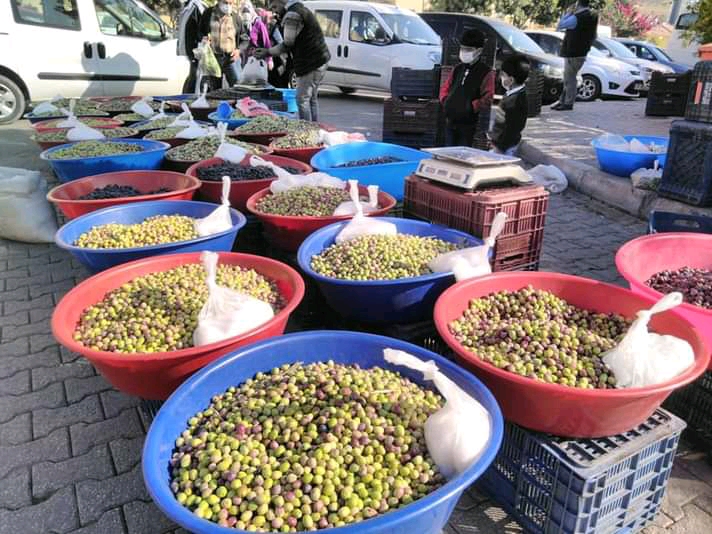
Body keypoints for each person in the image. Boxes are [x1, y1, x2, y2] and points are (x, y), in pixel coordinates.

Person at [254, 0, 331, 121]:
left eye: (274, 6)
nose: (273, 10)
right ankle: (315, 128)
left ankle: (306, 131)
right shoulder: (300, 9)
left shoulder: (292, 15)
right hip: (321, 59)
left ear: (281, 2)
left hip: (310, 63)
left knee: (302, 99)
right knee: (311, 98)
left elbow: (287, 44)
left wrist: (267, 52)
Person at [439, 29, 495, 147]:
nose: (464, 52)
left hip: (468, 124)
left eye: (468, 50)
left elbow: (488, 97)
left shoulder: (486, 72)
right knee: (448, 151)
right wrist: (445, 100)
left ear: (478, 51)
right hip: (450, 120)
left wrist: (471, 107)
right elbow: (446, 86)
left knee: (462, 151)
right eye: (462, 48)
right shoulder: (458, 68)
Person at [554, 0, 599, 110]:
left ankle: (567, 103)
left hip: (572, 52)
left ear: (578, 4)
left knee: (569, 78)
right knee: (569, 77)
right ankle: (563, 100)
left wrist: (569, 12)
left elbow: (560, 25)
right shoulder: (592, 16)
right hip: (582, 52)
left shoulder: (577, 17)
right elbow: (594, 35)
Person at [198, 0, 249, 90]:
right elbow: (200, 32)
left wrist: (239, 50)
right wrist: (204, 39)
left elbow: (245, 39)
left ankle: (237, 104)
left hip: (231, 59)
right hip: (213, 59)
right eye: (225, 2)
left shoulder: (235, 17)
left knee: (238, 88)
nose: (228, 6)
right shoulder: (208, 14)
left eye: (230, 3)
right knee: (214, 90)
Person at [489, 54, 530, 156]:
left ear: (511, 80)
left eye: (503, 75)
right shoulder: (512, 94)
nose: (501, 77)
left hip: (505, 147)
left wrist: (500, 147)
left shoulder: (515, 101)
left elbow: (512, 128)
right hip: (501, 143)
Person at [177, 0, 206, 94]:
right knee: (192, 78)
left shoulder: (198, 7)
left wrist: (199, 48)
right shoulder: (187, 7)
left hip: (197, 51)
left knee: (196, 80)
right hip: (190, 52)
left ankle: (192, 101)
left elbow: (202, 30)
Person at [240, 1, 273, 70]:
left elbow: (267, 42)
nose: (246, 13)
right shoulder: (241, 24)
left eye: (247, 10)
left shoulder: (259, 24)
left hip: (258, 60)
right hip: (245, 61)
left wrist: (269, 60)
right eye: (243, 10)